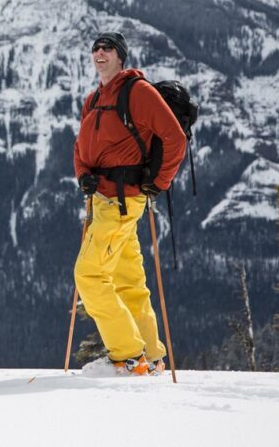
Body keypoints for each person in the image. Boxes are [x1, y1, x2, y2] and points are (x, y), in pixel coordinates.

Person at [73, 31, 186, 376]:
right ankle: (150, 356)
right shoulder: (94, 99)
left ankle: (127, 356)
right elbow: (80, 145)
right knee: (128, 282)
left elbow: (175, 138)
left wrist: (159, 182)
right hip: (103, 198)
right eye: (96, 48)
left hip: (121, 201)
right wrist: (83, 174)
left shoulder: (138, 92)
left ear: (120, 57)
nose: (100, 52)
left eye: (107, 48)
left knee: (89, 275)